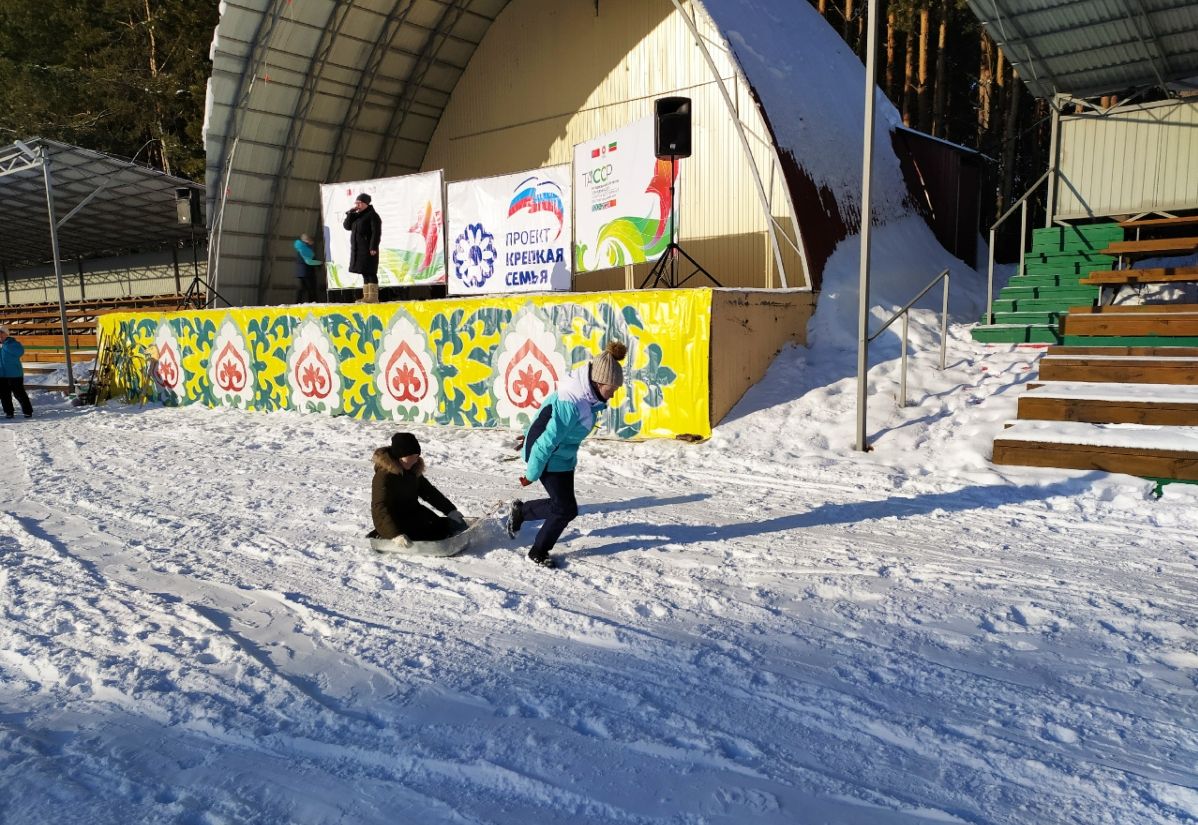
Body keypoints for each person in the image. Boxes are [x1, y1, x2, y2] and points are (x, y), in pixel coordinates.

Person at [507, 340, 627, 568]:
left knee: (561, 506)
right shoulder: (573, 403)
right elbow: (548, 439)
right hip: (548, 458)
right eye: (612, 389)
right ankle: (537, 551)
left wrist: (528, 432)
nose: (613, 395)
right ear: (599, 382)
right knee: (565, 509)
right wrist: (531, 473)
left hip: (562, 458)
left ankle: (521, 512)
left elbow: (545, 411)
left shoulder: (584, 397)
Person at [370, 432, 467, 543]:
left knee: (440, 529)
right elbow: (379, 507)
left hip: (413, 512)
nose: (415, 460)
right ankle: (383, 536)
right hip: (395, 520)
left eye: (416, 457)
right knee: (421, 537)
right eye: (410, 457)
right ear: (399, 457)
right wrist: (394, 535)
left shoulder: (412, 470)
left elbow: (429, 492)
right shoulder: (383, 477)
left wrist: (450, 510)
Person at [343, 193, 382, 304]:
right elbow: (347, 226)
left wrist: (373, 246)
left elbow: (376, 232)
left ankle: (373, 297)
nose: (357, 205)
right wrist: (350, 213)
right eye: (356, 202)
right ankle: (366, 297)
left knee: (370, 272)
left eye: (359, 203)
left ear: (366, 203)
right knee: (364, 272)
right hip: (358, 249)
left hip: (368, 248)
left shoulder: (372, 215)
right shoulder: (357, 215)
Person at [0, 325, 32, 420]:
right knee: (4, 395)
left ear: (6, 334)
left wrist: (4, 345)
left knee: (19, 394)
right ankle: (9, 412)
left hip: (15, 374)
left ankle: (27, 411)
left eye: (1, 333)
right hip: (2, 375)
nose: (0, 336)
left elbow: (19, 352)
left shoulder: (13, 343)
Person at [293, 233, 322, 303]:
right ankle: (312, 302)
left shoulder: (301, 247)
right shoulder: (305, 248)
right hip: (307, 271)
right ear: (307, 240)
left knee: (303, 288)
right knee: (311, 288)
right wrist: (320, 263)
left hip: (302, 271)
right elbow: (309, 261)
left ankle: (298, 302)